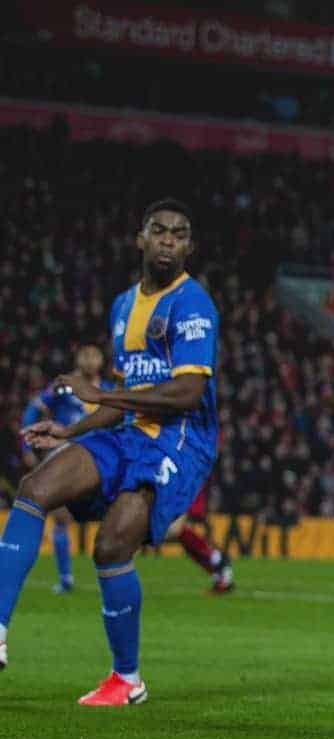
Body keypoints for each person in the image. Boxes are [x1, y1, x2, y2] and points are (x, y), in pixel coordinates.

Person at [4, 198, 219, 705]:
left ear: (189, 247)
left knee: (112, 545)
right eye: (159, 231)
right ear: (140, 239)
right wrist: (69, 432)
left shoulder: (193, 304)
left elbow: (187, 394)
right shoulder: (124, 306)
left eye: (179, 234)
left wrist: (102, 395)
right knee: (36, 488)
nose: (169, 240)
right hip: (130, 430)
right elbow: (125, 393)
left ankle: (127, 677)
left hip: (181, 439)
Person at [19, 345, 112, 594]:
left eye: (95, 355)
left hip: (103, 457)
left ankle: (114, 573)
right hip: (64, 452)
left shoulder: (108, 389)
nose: (90, 360)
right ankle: (66, 577)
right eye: (86, 355)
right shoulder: (64, 385)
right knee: (61, 516)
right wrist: (26, 444)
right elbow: (33, 408)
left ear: (101, 361)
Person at [168, 477, 235, 594]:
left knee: (176, 530)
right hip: (180, 480)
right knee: (178, 533)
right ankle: (218, 569)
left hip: (186, 479)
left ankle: (217, 559)